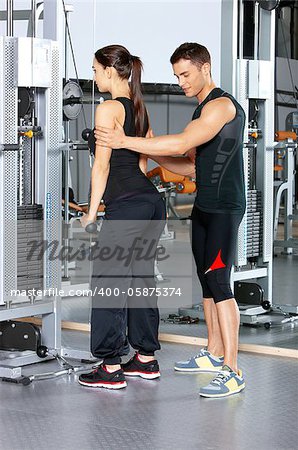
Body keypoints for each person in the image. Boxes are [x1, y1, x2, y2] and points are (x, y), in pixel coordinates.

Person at [95, 42, 246, 398]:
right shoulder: (200, 111)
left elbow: (179, 144)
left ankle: (234, 370)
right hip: (205, 206)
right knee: (206, 281)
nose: (181, 82)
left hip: (225, 207)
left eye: (186, 74)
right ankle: (213, 352)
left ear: (205, 68)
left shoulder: (221, 106)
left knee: (220, 282)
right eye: (177, 75)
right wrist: (143, 149)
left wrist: (126, 140)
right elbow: (190, 164)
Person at [79, 45, 166, 390]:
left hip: (127, 206)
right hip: (150, 203)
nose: (94, 76)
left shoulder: (108, 109)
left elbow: (102, 165)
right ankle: (144, 359)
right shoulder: (141, 109)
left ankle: (111, 366)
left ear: (111, 70)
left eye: (96, 70)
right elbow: (143, 161)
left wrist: (90, 213)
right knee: (141, 280)